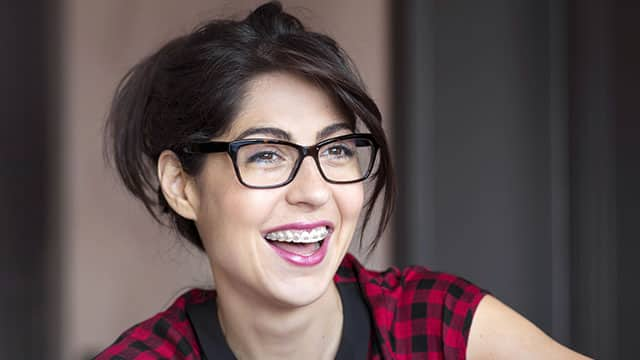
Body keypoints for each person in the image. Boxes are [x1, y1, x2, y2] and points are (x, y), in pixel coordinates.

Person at [95, 2, 590, 359]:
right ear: (182, 185)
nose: (313, 192)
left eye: (335, 150)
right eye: (267, 154)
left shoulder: (434, 327)